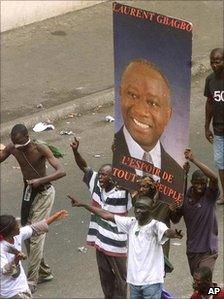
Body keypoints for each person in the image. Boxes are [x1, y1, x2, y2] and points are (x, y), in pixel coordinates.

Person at [68, 195, 183, 299]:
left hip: (151, 282)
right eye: (136, 207)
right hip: (134, 282)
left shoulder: (156, 226)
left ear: (150, 211)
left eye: (141, 208)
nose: (137, 211)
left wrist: (175, 234)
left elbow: (167, 232)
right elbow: (106, 215)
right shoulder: (131, 223)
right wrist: (83, 204)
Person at [0, 124, 66, 292]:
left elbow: (61, 171)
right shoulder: (13, 148)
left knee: (35, 236)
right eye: (15, 144)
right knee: (26, 234)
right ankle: (44, 271)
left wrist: (41, 181)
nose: (19, 148)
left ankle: (31, 280)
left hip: (44, 192)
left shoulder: (40, 148)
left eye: (21, 143)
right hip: (28, 192)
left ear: (27, 137)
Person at [70, 137, 132, 299]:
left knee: (120, 279)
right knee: (105, 278)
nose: (101, 178)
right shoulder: (96, 184)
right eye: (100, 175)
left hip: (116, 245)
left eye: (104, 175)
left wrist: (117, 155)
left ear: (113, 177)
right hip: (99, 242)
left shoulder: (124, 193)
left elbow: (134, 183)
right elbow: (84, 166)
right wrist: (75, 151)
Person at [113, 59, 184, 196]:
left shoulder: (177, 174)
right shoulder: (112, 163)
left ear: (168, 115)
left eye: (153, 103)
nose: (140, 111)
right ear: (120, 94)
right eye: (133, 95)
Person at [171, 149, 219, 277]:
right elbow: (175, 219)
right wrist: (172, 209)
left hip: (209, 251)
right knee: (199, 285)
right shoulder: (185, 198)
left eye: (203, 184)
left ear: (206, 184)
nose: (200, 186)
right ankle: (214, 292)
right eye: (197, 183)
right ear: (192, 183)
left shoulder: (210, 196)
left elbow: (214, 178)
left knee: (204, 282)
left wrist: (193, 159)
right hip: (192, 250)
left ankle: (218, 294)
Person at [0, 210, 68, 299]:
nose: (19, 226)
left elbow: (34, 228)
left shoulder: (16, 236)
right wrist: (16, 259)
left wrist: (54, 217)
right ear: (10, 232)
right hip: (13, 293)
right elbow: (5, 271)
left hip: (21, 288)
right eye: (17, 226)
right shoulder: (1, 248)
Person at [204, 48, 224, 205]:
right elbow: (210, 103)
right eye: (212, 61)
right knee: (221, 163)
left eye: (218, 61)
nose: (214, 65)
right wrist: (206, 126)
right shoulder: (210, 80)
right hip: (218, 130)